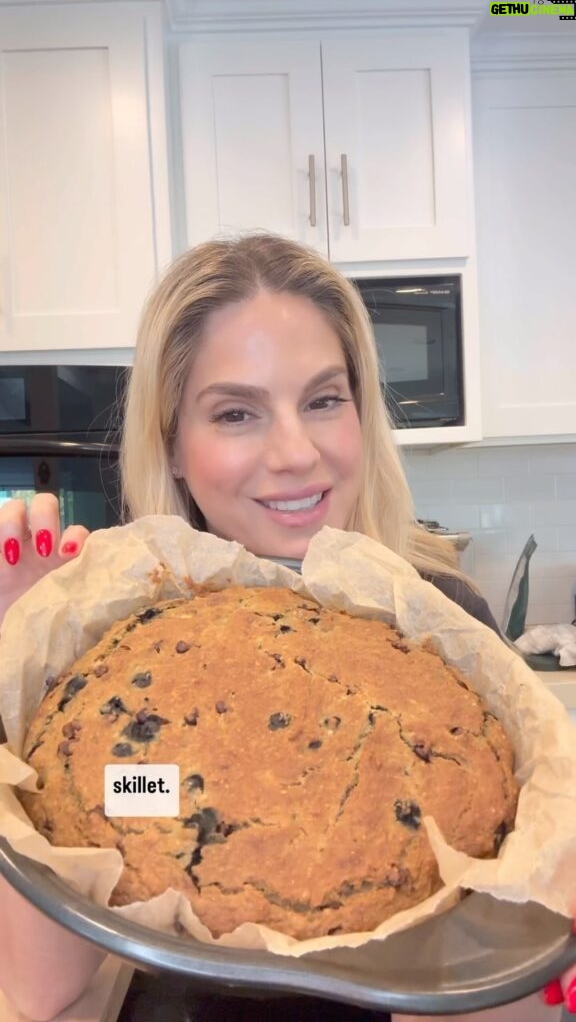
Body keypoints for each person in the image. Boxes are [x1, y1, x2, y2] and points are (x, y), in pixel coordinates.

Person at [0, 233, 572, 1021]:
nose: (295, 452)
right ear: (171, 444)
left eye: (323, 400)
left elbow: (487, 969)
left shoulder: (443, 634)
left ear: (361, 413)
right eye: (236, 412)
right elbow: (46, 987)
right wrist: (20, 674)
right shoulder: (120, 656)